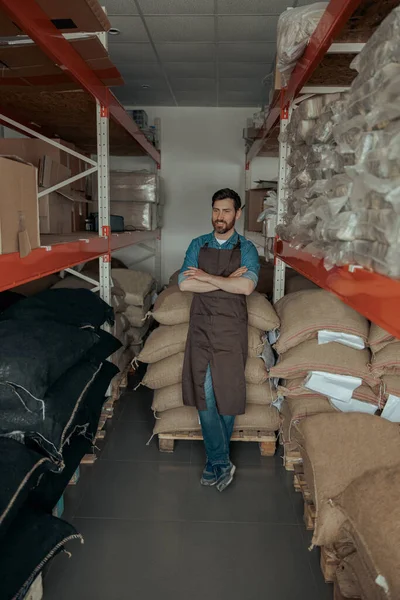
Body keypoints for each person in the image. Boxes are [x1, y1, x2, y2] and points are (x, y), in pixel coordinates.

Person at [178, 188, 260, 492]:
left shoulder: (248, 248)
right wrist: (227, 282)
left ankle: (216, 462)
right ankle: (221, 461)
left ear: (237, 214)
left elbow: (248, 287)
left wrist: (207, 278)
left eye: (226, 211)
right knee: (205, 393)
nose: (219, 217)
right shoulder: (197, 244)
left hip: (230, 328)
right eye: (215, 210)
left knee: (226, 394)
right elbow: (185, 285)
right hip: (200, 327)